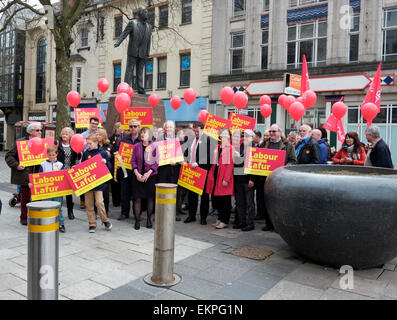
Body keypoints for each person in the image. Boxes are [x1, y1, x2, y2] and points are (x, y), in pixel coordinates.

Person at [6, 122, 43, 225]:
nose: (40, 132)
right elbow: (9, 156)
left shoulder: (44, 142)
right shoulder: (21, 142)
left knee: (38, 198)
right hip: (25, 175)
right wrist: (16, 165)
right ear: (30, 132)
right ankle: (24, 217)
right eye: (37, 130)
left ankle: (36, 216)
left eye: (40, 130)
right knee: (25, 197)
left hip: (39, 175)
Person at [261, 124, 297, 231]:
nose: (271, 133)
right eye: (270, 131)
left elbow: (293, 160)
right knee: (267, 201)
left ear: (280, 133)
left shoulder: (287, 145)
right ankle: (268, 224)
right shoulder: (265, 144)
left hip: (280, 178)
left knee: (278, 202)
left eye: (274, 131)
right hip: (266, 178)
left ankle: (278, 225)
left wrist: (283, 168)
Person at [114, 6, 152, 94]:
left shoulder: (149, 27)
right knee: (129, 70)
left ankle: (140, 88)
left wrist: (147, 52)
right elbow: (124, 33)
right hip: (133, 51)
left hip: (143, 52)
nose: (147, 14)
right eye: (145, 12)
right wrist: (118, 42)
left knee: (140, 71)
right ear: (140, 13)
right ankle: (126, 88)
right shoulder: (133, 23)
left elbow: (148, 41)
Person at [184, 123, 215, 225]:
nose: (196, 133)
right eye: (195, 131)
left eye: (198, 131)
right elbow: (187, 152)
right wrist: (185, 161)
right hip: (191, 171)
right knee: (192, 196)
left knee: (204, 197)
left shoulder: (209, 140)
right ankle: (191, 215)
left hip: (202, 171)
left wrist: (199, 163)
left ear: (203, 130)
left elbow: (210, 156)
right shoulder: (191, 139)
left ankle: (203, 217)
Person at [82, 134, 112, 233]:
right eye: (87, 143)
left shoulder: (102, 152)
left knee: (99, 202)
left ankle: (105, 220)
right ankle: (92, 224)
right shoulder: (86, 153)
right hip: (88, 183)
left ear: (96, 143)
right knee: (89, 204)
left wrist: (106, 162)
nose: (88, 145)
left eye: (90, 143)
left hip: (99, 182)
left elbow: (110, 167)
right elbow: (82, 166)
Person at [205, 127, 234, 229]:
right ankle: (220, 218)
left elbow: (230, 165)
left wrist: (226, 179)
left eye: (226, 134)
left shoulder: (230, 148)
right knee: (218, 199)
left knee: (225, 200)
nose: (224, 135)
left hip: (224, 176)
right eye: (222, 134)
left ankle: (224, 221)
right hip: (216, 175)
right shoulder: (217, 147)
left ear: (229, 136)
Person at [156, 120, 184, 221]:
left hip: (174, 169)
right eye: (167, 127)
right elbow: (155, 153)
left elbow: (183, 154)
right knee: (162, 189)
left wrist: (176, 162)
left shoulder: (179, 139)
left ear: (174, 129)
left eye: (171, 127)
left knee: (174, 191)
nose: (168, 129)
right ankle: (160, 212)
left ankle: (174, 213)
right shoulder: (159, 139)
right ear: (164, 129)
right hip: (162, 169)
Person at [131, 127, 158, 230]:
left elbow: (156, 162)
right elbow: (133, 161)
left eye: (145, 133)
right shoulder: (136, 146)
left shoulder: (154, 146)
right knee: (137, 198)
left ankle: (149, 219)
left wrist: (148, 173)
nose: (142, 135)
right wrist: (137, 173)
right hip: (138, 176)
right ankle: (137, 220)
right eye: (141, 133)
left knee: (150, 198)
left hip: (150, 176)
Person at [37, 145, 66, 232]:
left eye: (53, 155)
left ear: (56, 154)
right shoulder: (43, 164)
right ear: (47, 155)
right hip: (46, 191)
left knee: (58, 207)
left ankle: (61, 224)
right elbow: (39, 177)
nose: (51, 157)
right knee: (46, 206)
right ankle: (46, 223)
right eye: (50, 155)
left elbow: (63, 177)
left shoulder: (60, 165)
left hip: (57, 191)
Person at [118, 119, 141, 221]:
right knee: (124, 192)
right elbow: (119, 153)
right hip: (125, 170)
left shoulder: (142, 140)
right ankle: (124, 212)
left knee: (137, 193)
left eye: (135, 126)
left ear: (139, 127)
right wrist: (118, 160)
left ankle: (137, 213)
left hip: (138, 170)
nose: (132, 128)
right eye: (131, 126)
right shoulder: (124, 140)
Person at [233, 129, 256, 231]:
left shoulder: (255, 148)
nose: (244, 138)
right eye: (243, 136)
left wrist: (252, 179)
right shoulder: (239, 147)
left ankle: (250, 223)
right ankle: (241, 222)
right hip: (238, 178)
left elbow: (256, 166)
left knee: (249, 203)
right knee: (239, 202)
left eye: (247, 136)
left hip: (248, 179)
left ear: (252, 138)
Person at [56, 127, 79, 220]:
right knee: (59, 193)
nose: (64, 135)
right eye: (63, 133)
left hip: (70, 171)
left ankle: (70, 211)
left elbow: (78, 157)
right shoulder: (57, 144)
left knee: (69, 194)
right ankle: (58, 211)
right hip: (59, 171)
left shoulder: (73, 145)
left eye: (67, 133)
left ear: (71, 136)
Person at [80, 117, 101, 209]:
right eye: (93, 123)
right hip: (86, 158)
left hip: (96, 161)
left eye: (96, 124)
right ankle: (82, 200)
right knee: (84, 180)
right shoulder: (83, 135)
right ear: (89, 123)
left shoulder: (99, 134)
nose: (94, 125)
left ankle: (93, 201)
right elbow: (80, 147)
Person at [97, 128, 114, 217]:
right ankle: (97, 211)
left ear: (104, 136)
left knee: (105, 194)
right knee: (96, 193)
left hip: (106, 172)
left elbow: (113, 159)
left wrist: (109, 155)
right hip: (96, 173)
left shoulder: (109, 146)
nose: (98, 136)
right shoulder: (94, 145)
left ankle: (106, 211)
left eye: (100, 134)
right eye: (97, 134)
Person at [109, 122, 123, 207]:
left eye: (122, 127)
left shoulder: (125, 138)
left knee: (122, 182)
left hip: (122, 163)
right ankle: (115, 201)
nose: (120, 129)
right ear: (116, 128)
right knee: (114, 182)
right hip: (113, 162)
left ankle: (121, 199)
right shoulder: (111, 138)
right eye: (119, 127)